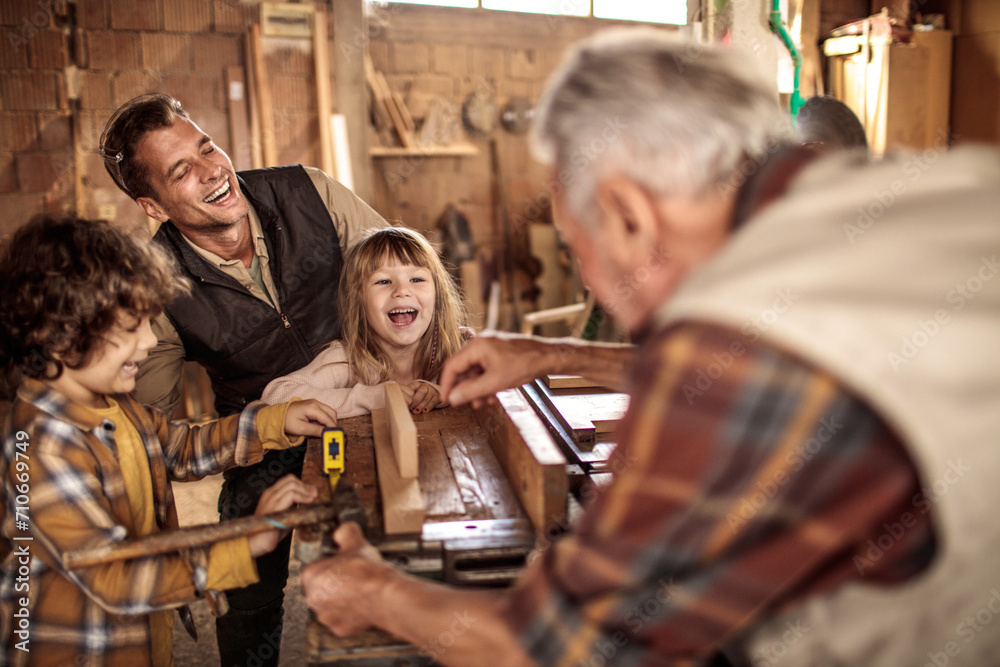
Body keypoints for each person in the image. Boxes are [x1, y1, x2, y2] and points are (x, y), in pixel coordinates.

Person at [299, 28, 1000, 666]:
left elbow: (557, 651)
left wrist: (376, 594)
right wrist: (555, 356)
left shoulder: (732, 355)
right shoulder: (939, 186)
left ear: (630, 216)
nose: (594, 278)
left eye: (580, 249)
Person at [98, 93, 387, 666]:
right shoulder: (159, 283)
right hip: (259, 433)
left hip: (365, 401)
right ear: (152, 206)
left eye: (208, 148)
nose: (213, 172)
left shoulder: (309, 190)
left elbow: (404, 275)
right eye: (183, 171)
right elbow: (151, 435)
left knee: (394, 554)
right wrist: (153, 550)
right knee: (245, 592)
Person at [0, 216, 339, 666]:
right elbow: (115, 577)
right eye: (131, 327)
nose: (147, 342)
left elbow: (177, 449)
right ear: (58, 336)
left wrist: (273, 422)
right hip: (82, 649)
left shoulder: (112, 404)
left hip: (140, 637)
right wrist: (241, 543)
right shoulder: (42, 449)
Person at [262, 227, 467, 416]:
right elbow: (275, 397)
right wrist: (373, 397)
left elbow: (490, 388)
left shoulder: (455, 348)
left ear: (438, 294)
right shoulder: (348, 358)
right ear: (358, 300)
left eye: (416, 279)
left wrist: (441, 393)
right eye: (383, 281)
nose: (402, 291)